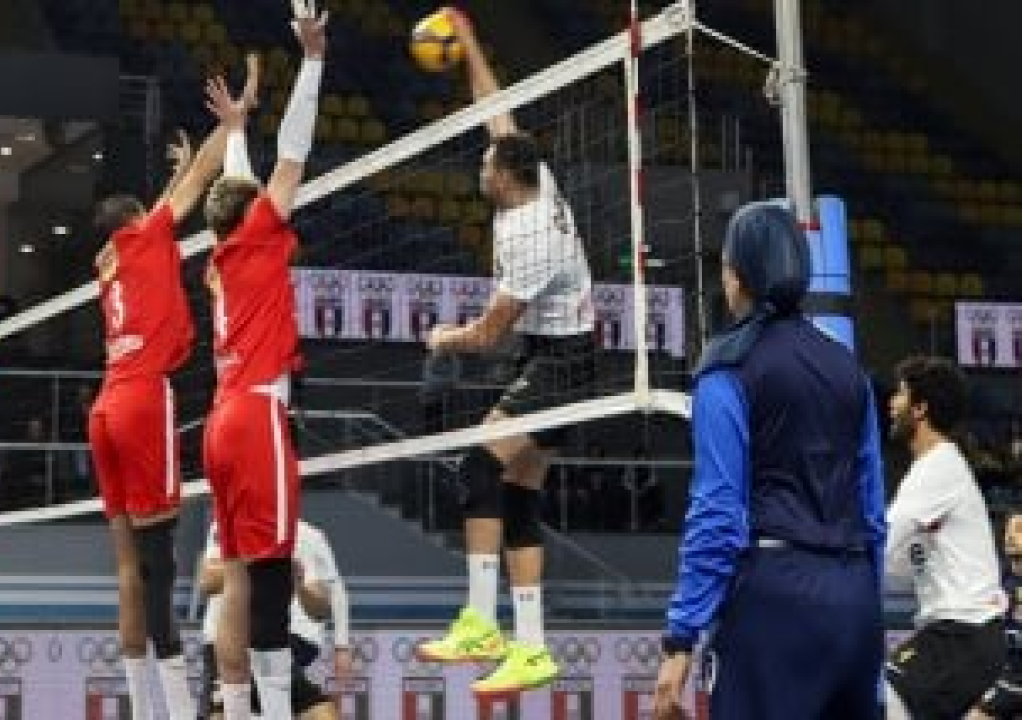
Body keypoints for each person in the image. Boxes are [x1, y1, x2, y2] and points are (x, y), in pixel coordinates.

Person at [418, 9, 596, 696]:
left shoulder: (529, 239)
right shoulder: (533, 176)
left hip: (561, 363)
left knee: (476, 466)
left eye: (485, 164)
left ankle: (480, 623)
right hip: (556, 354)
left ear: (505, 178)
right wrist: (466, 39)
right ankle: (531, 648)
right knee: (518, 497)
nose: (480, 166)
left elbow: (488, 335)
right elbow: (495, 106)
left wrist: (443, 337)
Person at [651, 203, 887, 720]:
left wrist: (681, 636)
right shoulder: (850, 370)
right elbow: (873, 512)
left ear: (737, 277)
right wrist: (866, 609)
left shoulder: (726, 368)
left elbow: (717, 510)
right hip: (854, 600)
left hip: (775, 601)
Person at [87, 59, 257, 720]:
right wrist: (232, 122)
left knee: (129, 569)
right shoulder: (147, 233)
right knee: (161, 565)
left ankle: (141, 706)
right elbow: (205, 176)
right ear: (138, 218)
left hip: (104, 406)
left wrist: (172, 180)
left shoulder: (108, 262)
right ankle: (181, 708)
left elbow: (165, 207)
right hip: (140, 399)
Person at [200, 2, 325, 717]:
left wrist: (236, 132)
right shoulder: (258, 233)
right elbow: (294, 154)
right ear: (252, 215)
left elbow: (240, 186)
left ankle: (232, 706)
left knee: (240, 579)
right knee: (271, 578)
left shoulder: (224, 253)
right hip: (254, 420)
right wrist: (312, 61)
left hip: (220, 423)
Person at [884, 355, 1006, 720]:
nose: (891, 403)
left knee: (884, 700)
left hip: (964, 633)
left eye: (900, 394)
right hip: (957, 635)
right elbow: (896, 566)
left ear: (920, 409)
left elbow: (883, 543)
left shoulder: (939, 467)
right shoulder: (931, 469)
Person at [197, 519, 351, 720]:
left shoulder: (307, 536)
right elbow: (208, 582)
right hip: (228, 640)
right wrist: (258, 560)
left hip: (285, 639)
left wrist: (299, 585)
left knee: (322, 714)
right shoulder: (225, 526)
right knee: (221, 710)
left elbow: (322, 606)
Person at [969, 509, 1022, 719]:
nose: (1010, 536)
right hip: (1010, 676)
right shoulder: (1003, 581)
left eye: (1019, 529)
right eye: (1009, 530)